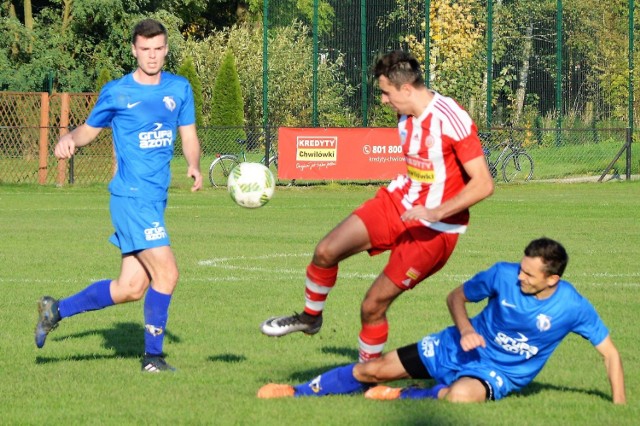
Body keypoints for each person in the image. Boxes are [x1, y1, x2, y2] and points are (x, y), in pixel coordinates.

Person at [260, 50, 494, 362]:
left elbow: (483, 183)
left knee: (372, 306)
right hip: (398, 202)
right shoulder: (404, 113)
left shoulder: (451, 119)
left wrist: (436, 211)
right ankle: (310, 318)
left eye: (386, 92)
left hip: (435, 229)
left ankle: (367, 374)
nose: (383, 100)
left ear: (406, 89)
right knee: (326, 251)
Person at [257, 238, 626, 404]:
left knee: (461, 398)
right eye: (521, 269)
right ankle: (298, 392)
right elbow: (456, 296)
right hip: (455, 345)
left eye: (529, 275)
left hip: (497, 372)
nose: (520, 278)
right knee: (370, 370)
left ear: (552, 280)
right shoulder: (502, 275)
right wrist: (466, 330)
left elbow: (610, 353)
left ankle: (404, 396)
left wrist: (620, 406)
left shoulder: (572, 307)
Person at [34, 18, 203, 373]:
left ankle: (55, 309)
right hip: (130, 197)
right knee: (168, 273)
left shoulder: (180, 89)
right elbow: (88, 131)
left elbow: (188, 135)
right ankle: (153, 359)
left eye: (158, 49)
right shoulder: (117, 92)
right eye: (145, 49)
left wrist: (193, 165)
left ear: (166, 49)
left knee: (130, 288)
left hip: (155, 199)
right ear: (134, 50)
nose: (152, 56)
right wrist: (68, 139)